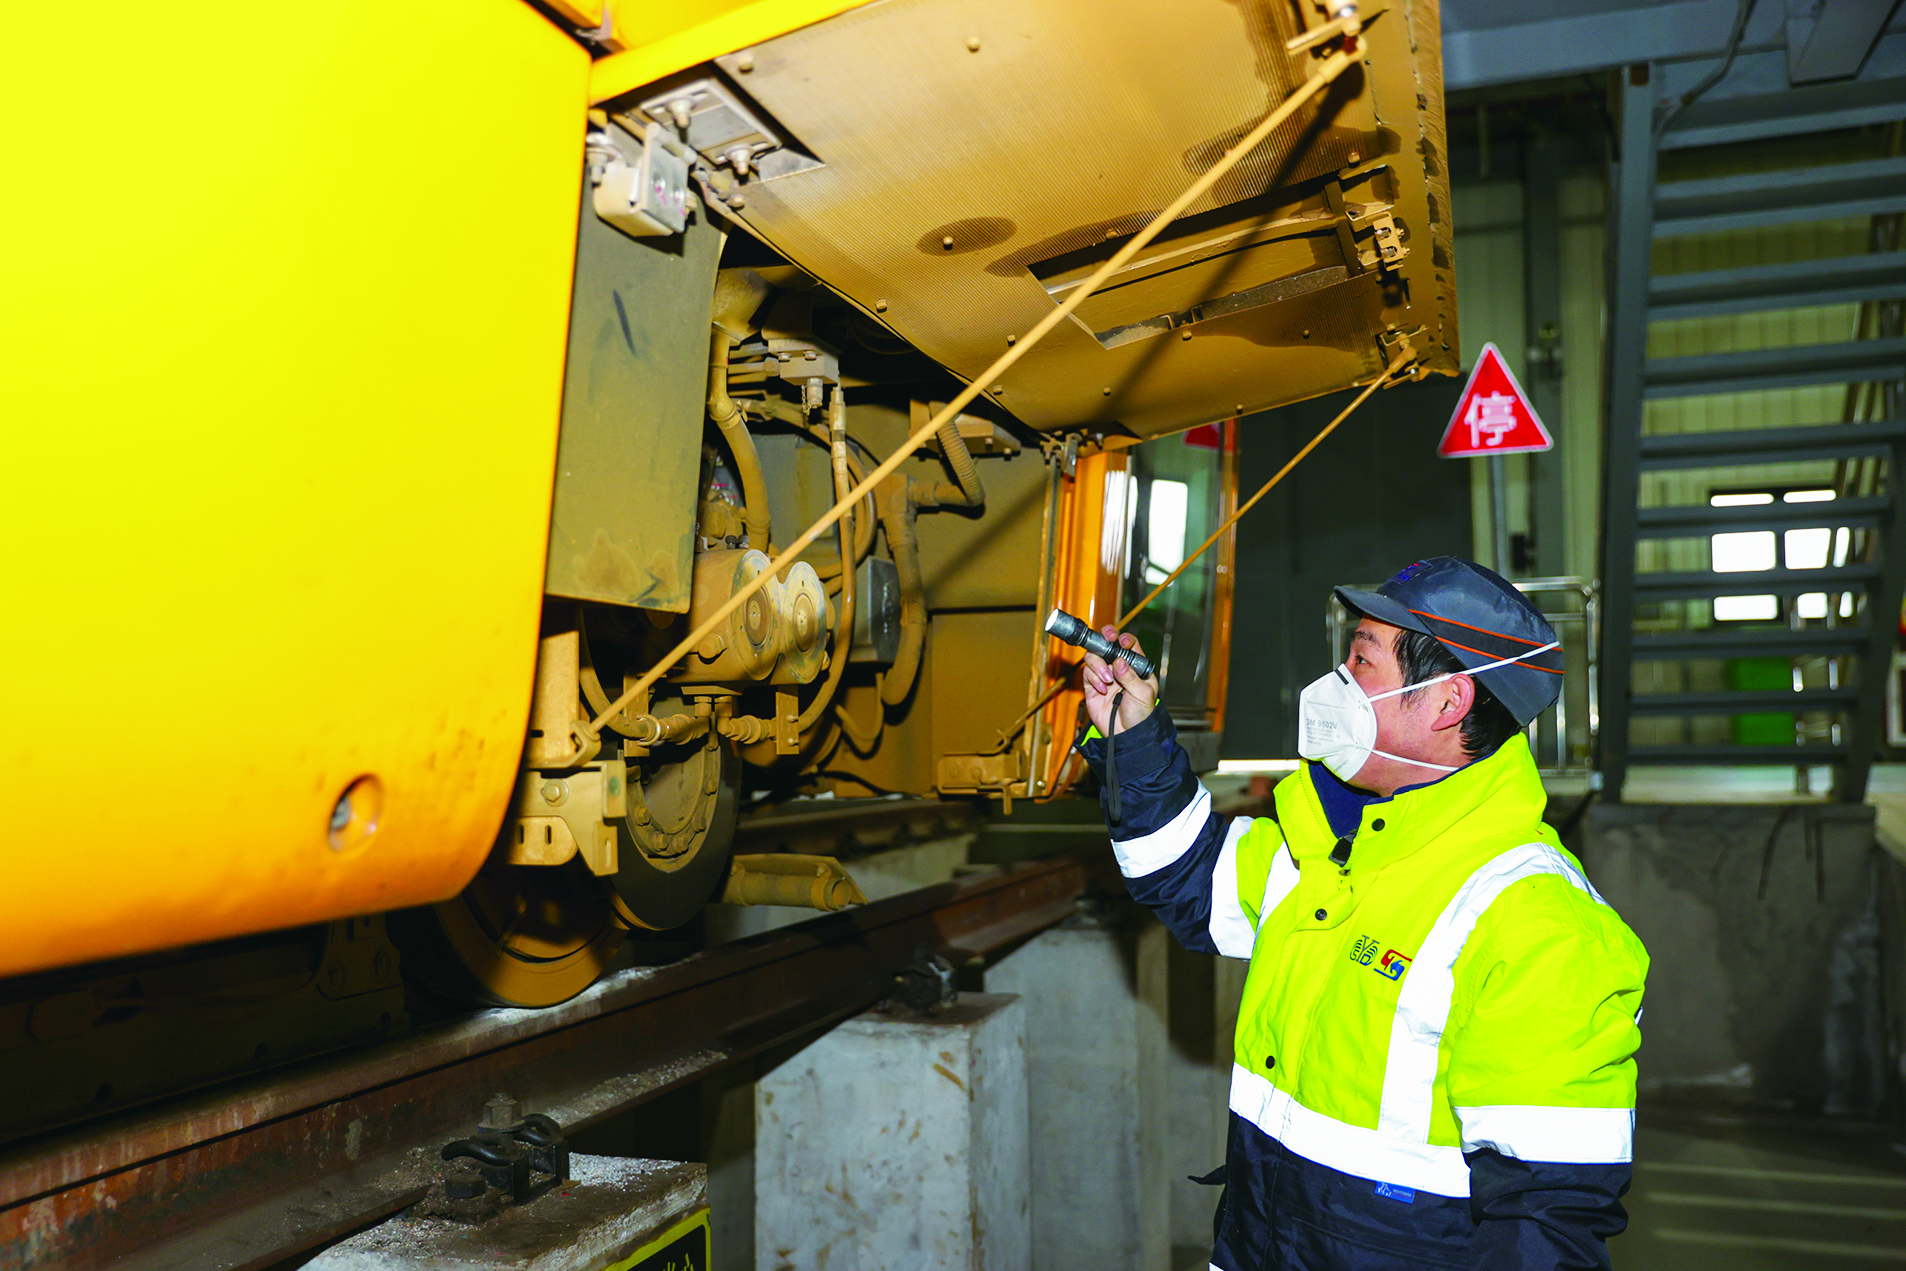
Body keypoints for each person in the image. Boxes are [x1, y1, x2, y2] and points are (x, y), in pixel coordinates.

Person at [1076, 556, 1648, 1271]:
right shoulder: (1334, 846)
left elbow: (1546, 1223)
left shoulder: (1540, 924)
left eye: (1360, 660)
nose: (1335, 684)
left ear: (1447, 702)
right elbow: (1189, 875)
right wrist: (1131, 734)